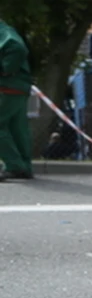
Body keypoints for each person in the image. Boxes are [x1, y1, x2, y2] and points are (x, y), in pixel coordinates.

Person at [0, 18, 34, 181]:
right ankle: (24, 167)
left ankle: (14, 166)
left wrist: (6, 69)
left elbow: (17, 49)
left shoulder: (4, 34)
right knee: (16, 128)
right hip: (17, 87)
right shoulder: (7, 31)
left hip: (7, 86)